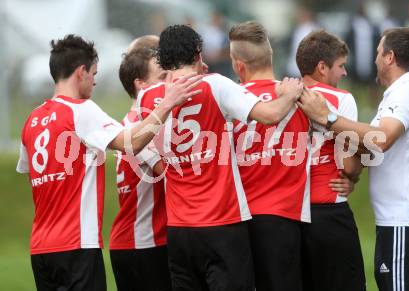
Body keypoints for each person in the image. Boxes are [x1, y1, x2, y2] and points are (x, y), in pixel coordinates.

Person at [15, 34, 202, 291]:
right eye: (93, 73)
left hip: (40, 249)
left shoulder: (32, 120)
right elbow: (132, 141)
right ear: (81, 72)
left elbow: (33, 175)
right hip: (77, 244)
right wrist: (168, 103)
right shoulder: (81, 110)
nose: (94, 80)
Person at [137, 24, 304, 291]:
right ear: (197, 53)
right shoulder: (215, 84)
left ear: (163, 59)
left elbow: (144, 142)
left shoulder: (146, 97)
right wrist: (289, 95)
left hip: (179, 227)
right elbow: (270, 115)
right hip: (222, 222)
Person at [298, 27, 409, 291]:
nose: (374, 59)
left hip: (405, 221)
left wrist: (327, 118)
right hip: (408, 220)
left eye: (377, 52)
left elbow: (382, 138)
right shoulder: (402, 94)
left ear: (389, 58)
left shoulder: (406, 94)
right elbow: (366, 146)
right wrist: (352, 175)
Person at [228, 20, 310, 291]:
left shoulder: (228, 101)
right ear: (271, 55)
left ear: (239, 64)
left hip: (237, 219)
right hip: (285, 217)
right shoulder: (300, 96)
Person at [295, 30, 366, 291]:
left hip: (287, 216)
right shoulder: (341, 99)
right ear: (322, 67)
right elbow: (348, 165)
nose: (344, 73)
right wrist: (355, 175)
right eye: (341, 66)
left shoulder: (280, 98)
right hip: (328, 210)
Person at [109, 37, 171, 291]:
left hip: (146, 242)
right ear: (141, 84)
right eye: (163, 76)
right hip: (141, 244)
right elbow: (172, 174)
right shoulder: (138, 126)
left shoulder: (145, 121)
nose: (170, 82)